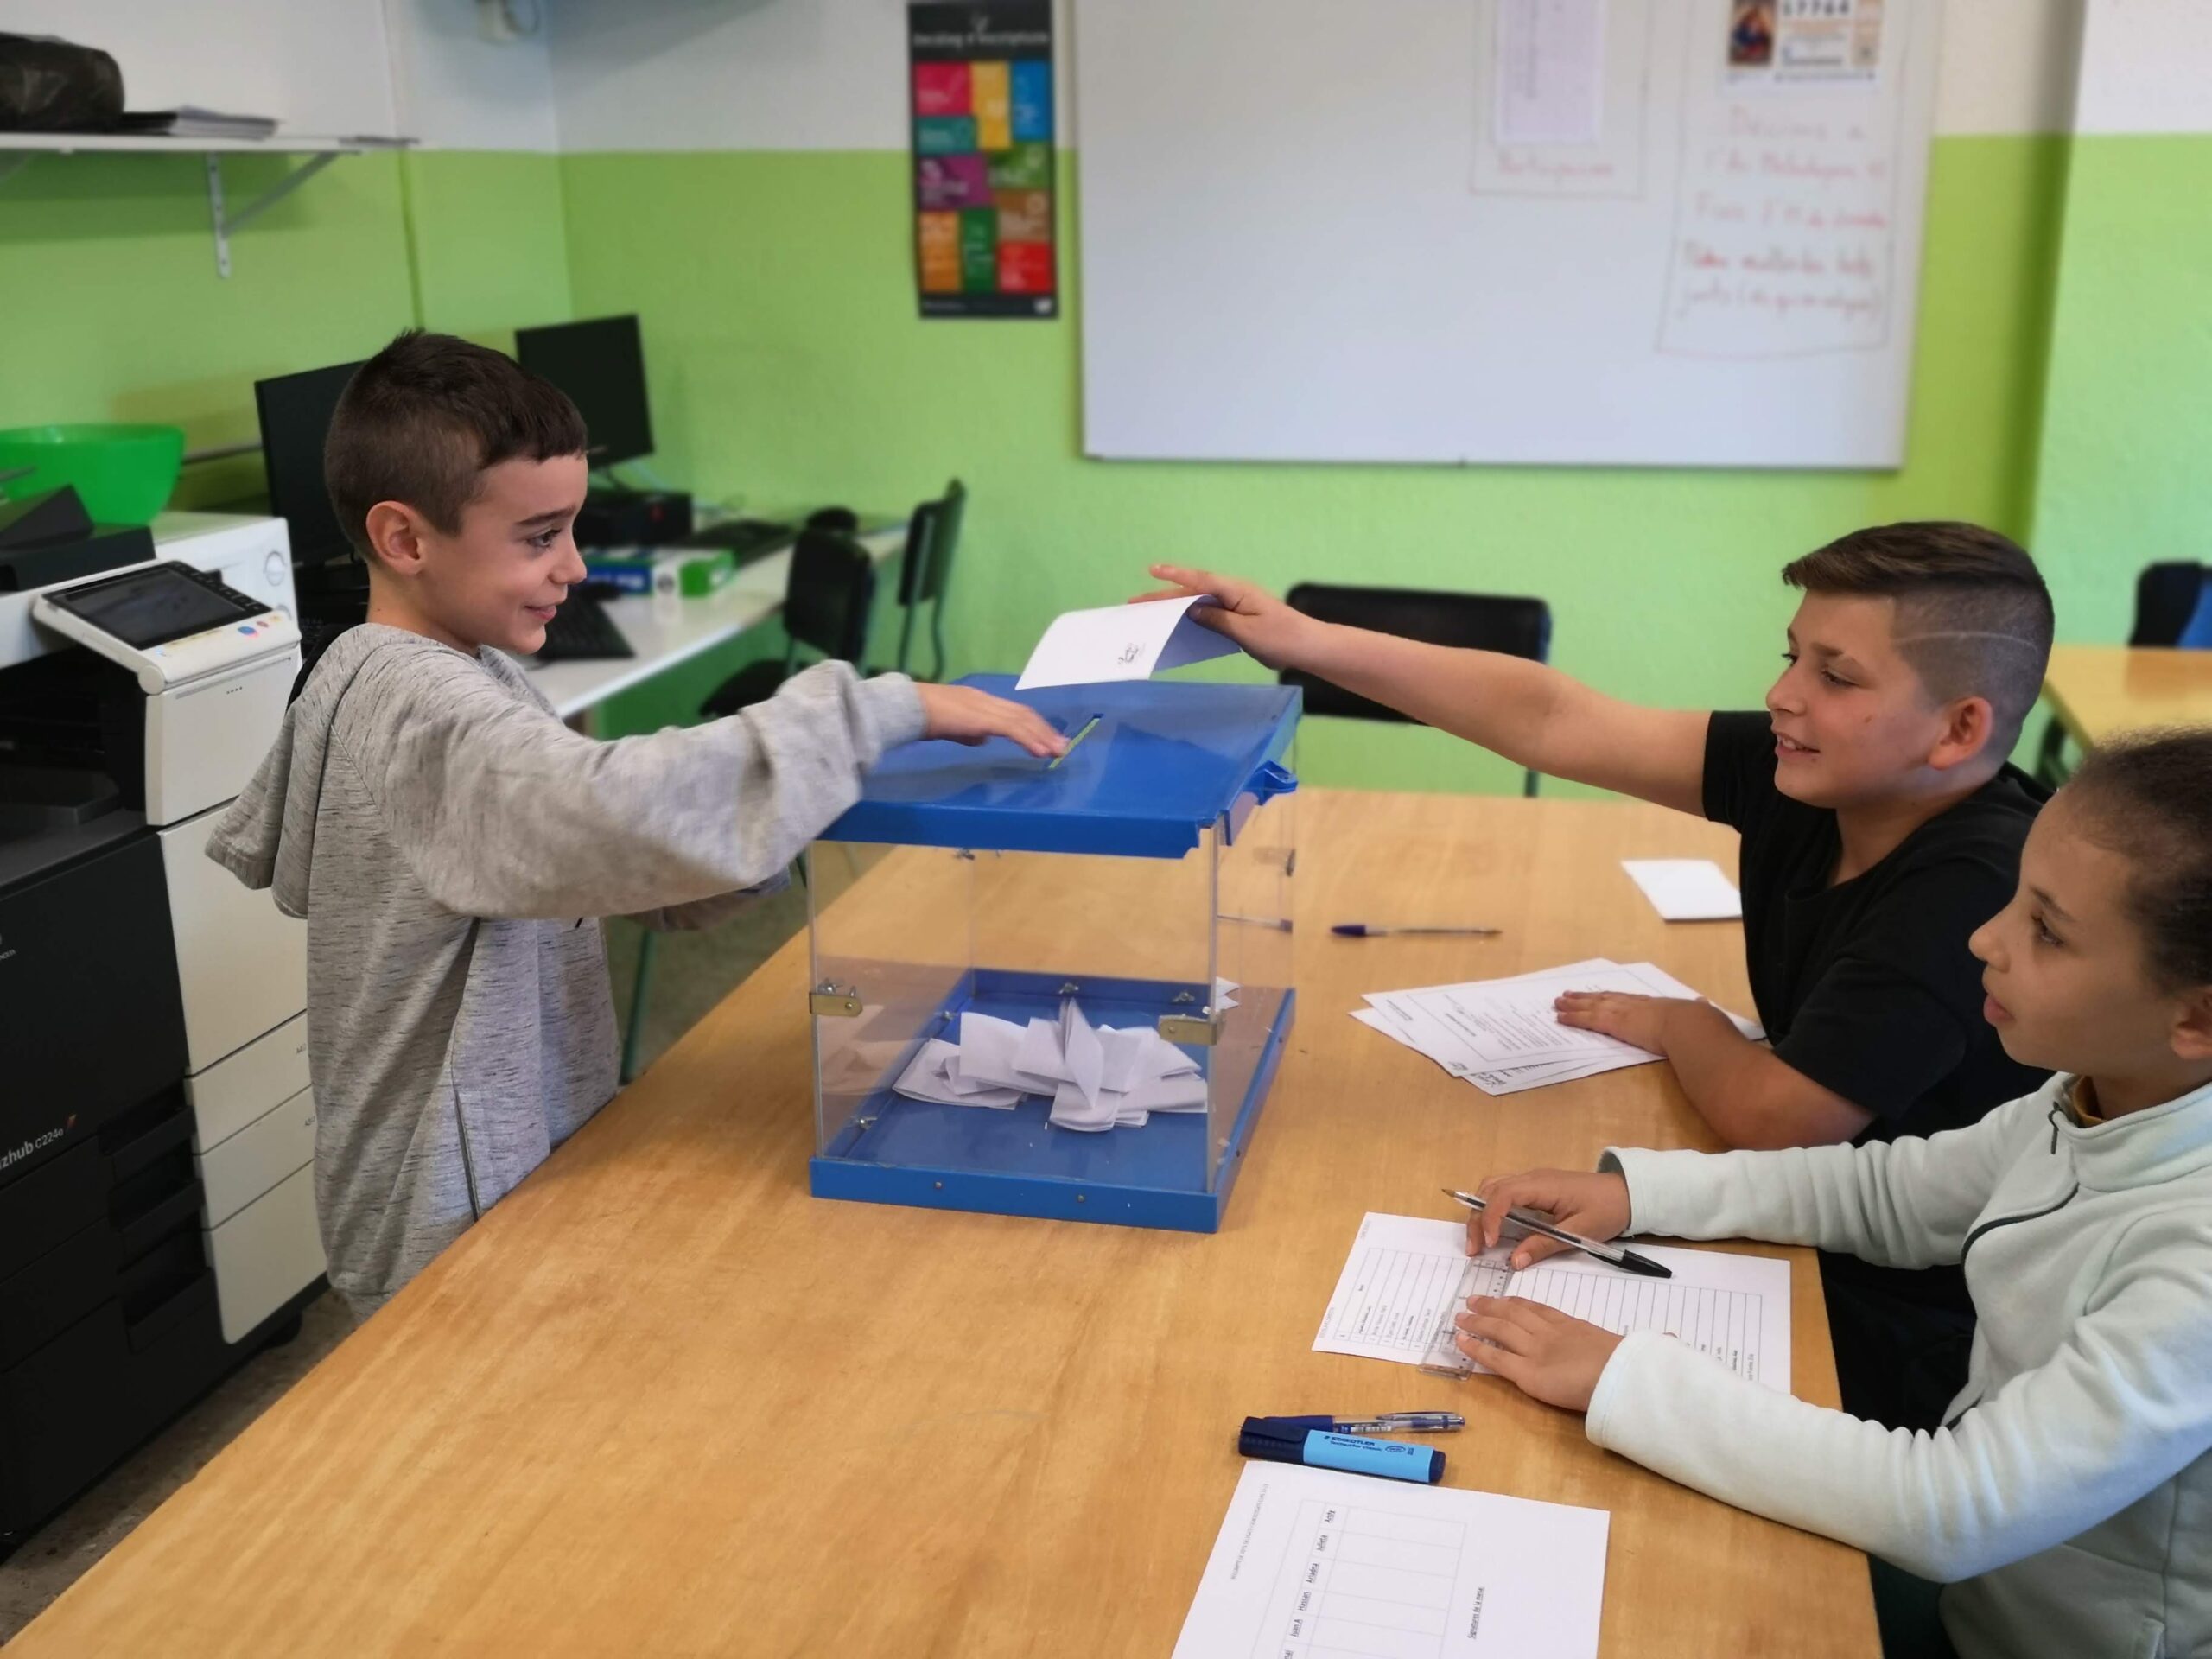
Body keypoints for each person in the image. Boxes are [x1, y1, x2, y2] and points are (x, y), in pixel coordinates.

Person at [210, 330, 1062, 1318]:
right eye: (538, 537)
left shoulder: (466, 671)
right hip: (446, 1214)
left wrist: (795, 804)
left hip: (509, 1168)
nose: (574, 567)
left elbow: (594, 863)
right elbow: (603, 807)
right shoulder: (418, 708)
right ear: (405, 540)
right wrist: (870, 711)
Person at [1141, 525, 2053, 1429]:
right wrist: (1301, 640)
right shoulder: (1828, 775)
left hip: (1909, 1320)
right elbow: (1553, 719)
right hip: (1795, 1227)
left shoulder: (1973, 880)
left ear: (1957, 728)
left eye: (1836, 677)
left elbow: (1780, 1118)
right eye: (1791, 659)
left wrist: (1684, 1024)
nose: (1782, 696)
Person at [1454, 727, 2212, 1659]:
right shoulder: (2099, 1092)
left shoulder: (2196, 1259)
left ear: (2196, 1017)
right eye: (2015, 898)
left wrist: (1623, 1377)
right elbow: (1892, 1195)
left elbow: (1951, 1508)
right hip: (1991, 1591)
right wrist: (1639, 1192)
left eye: (2046, 931)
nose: (1985, 938)